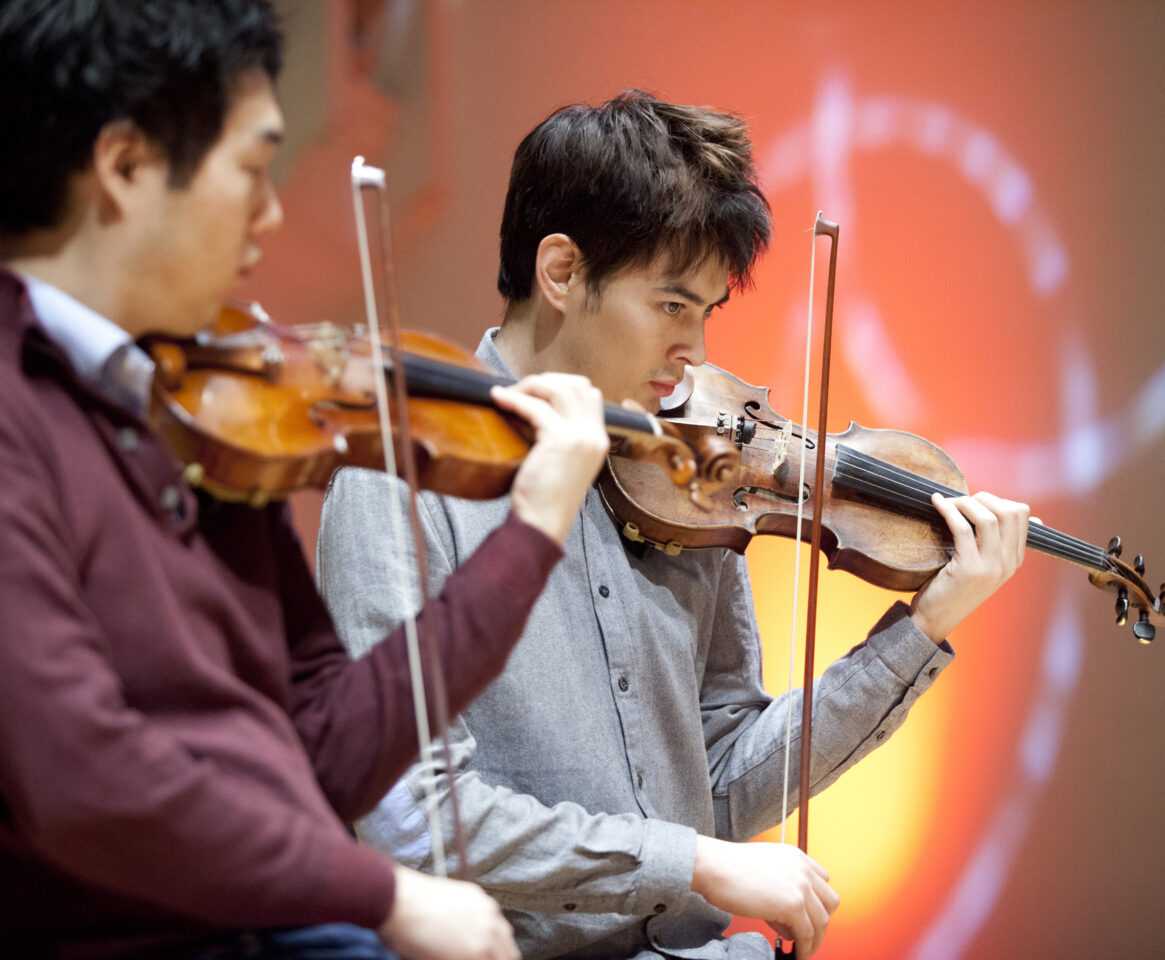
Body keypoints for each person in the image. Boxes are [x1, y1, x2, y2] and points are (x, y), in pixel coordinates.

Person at [317, 91, 1031, 960]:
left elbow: (721, 782)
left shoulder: (688, 474)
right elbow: (412, 814)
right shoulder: (400, 476)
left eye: (707, 312)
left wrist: (922, 628)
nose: (695, 352)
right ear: (563, 272)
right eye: (670, 307)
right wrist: (687, 861)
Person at [0, 2, 611, 958]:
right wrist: (382, 894)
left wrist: (530, 534)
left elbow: (326, 756)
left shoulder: (199, 408)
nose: (275, 214)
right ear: (124, 169)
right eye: (252, 172)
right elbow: (80, 781)